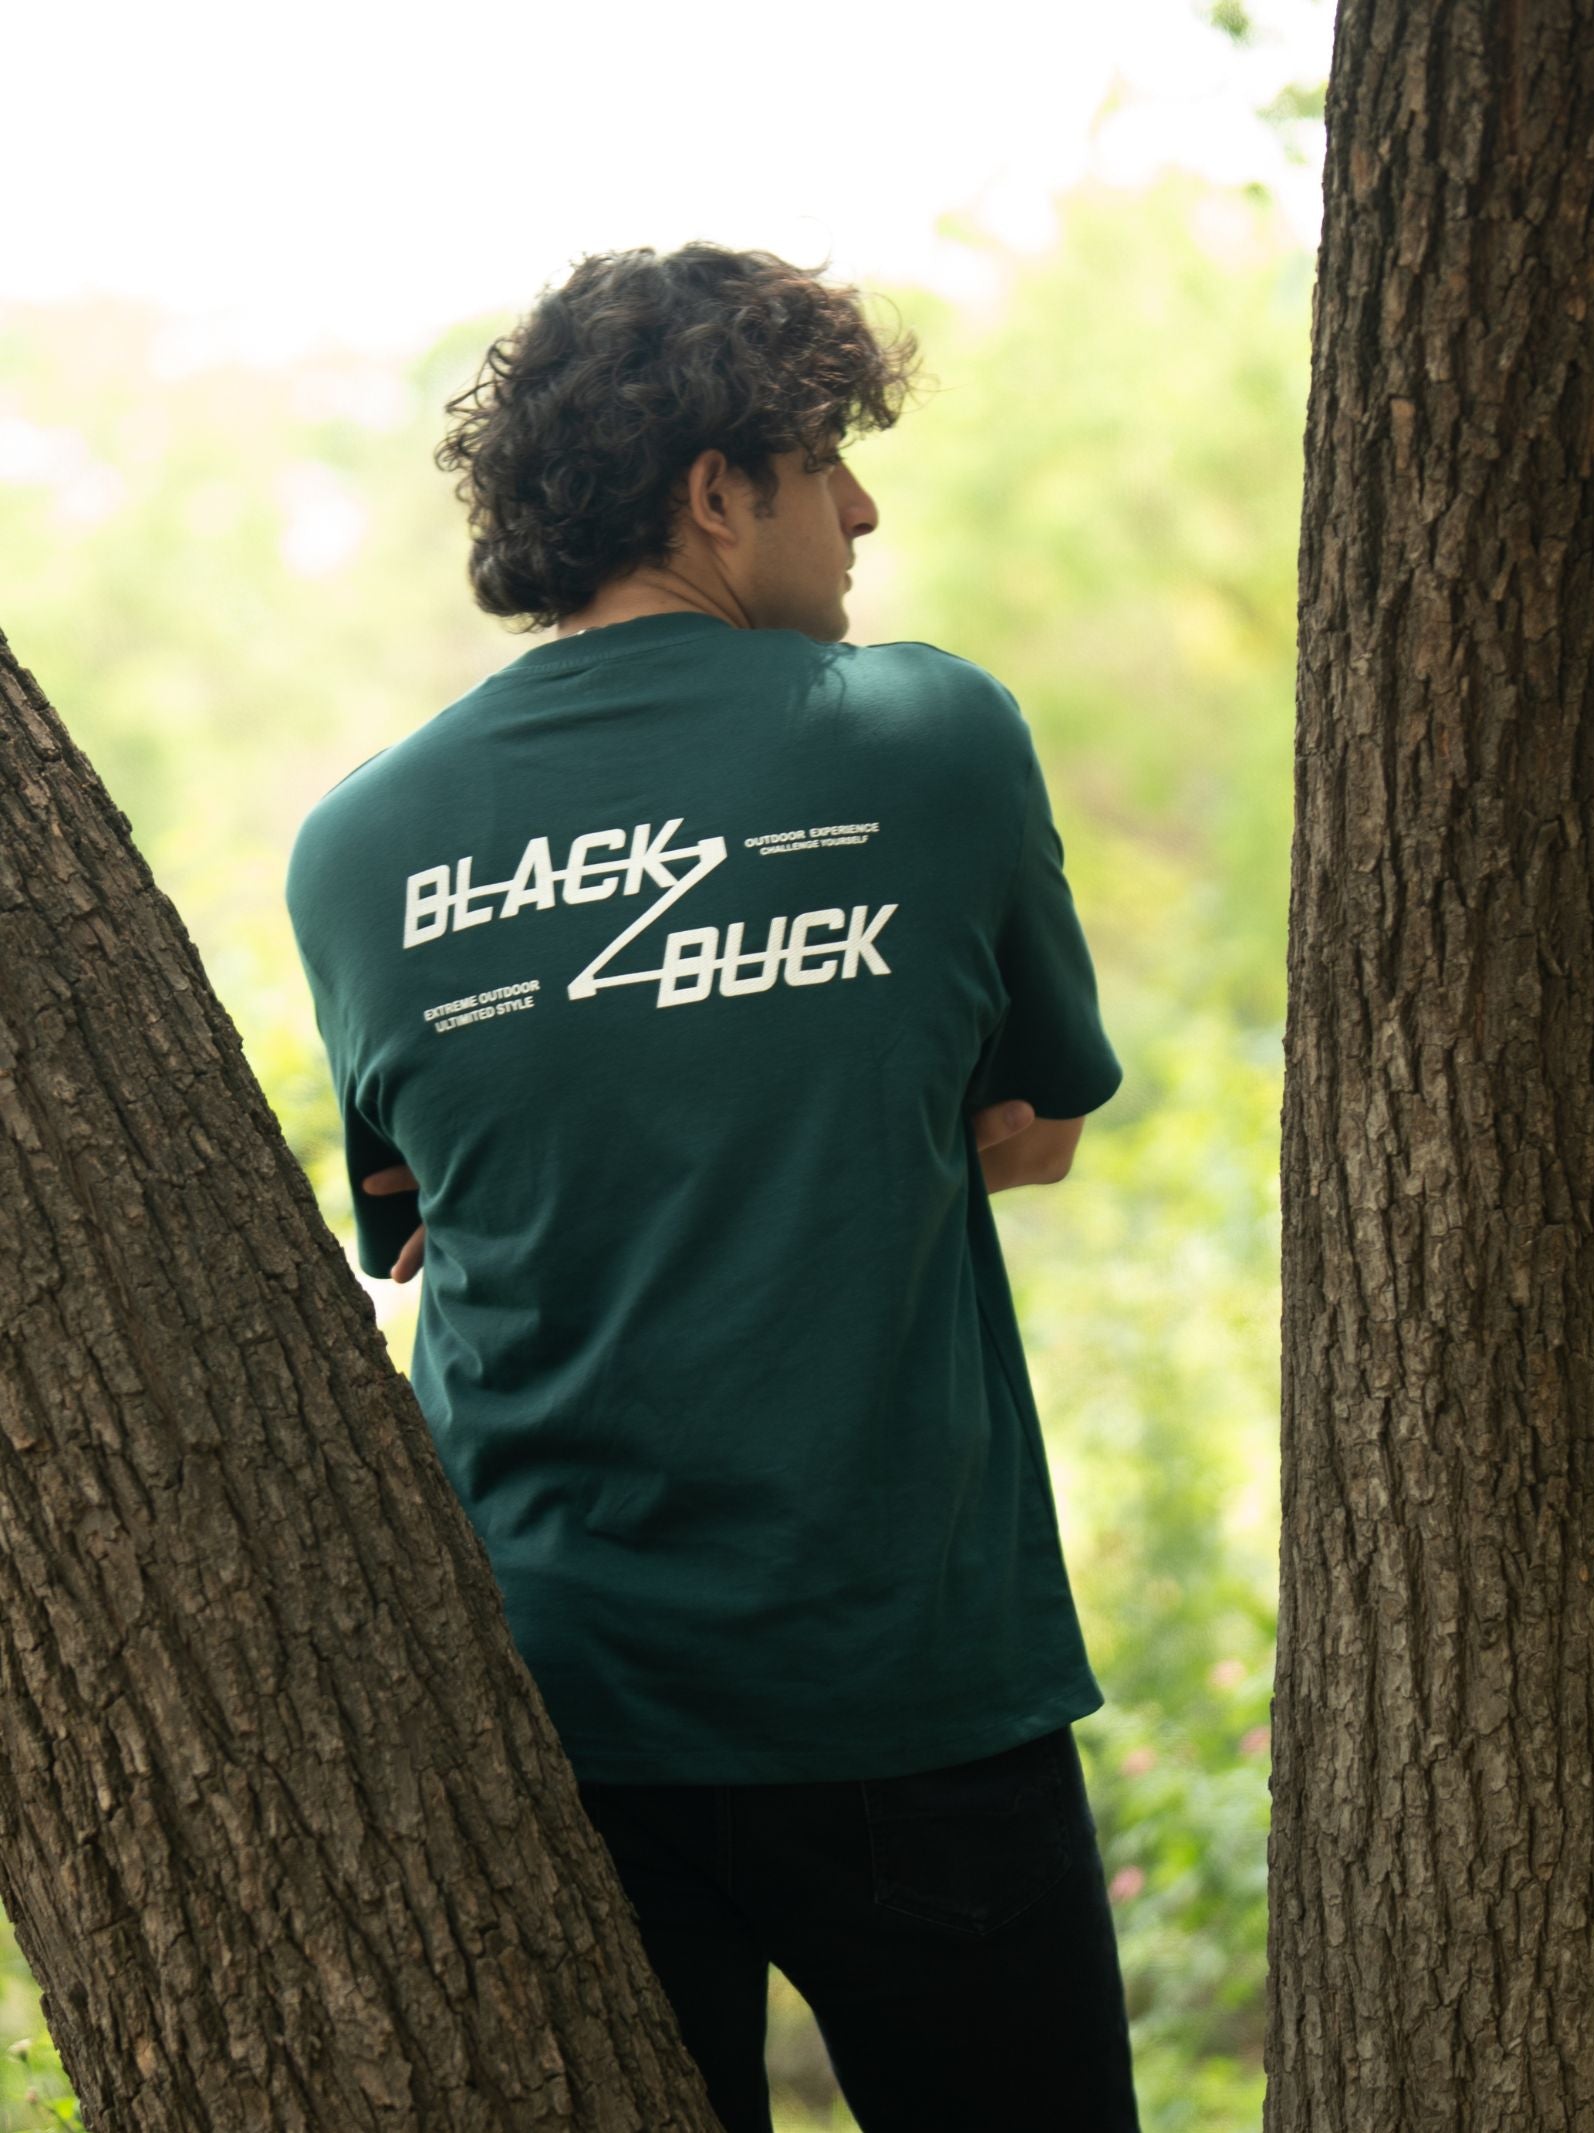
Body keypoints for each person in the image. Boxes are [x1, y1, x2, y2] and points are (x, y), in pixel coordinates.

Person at [286, 240, 1140, 2132]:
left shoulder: (356, 846)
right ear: (713, 491)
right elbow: (1035, 1125)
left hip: (553, 1718)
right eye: (825, 461)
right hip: (902, 1688)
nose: (862, 510)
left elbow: (436, 1223)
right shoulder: (927, 735)